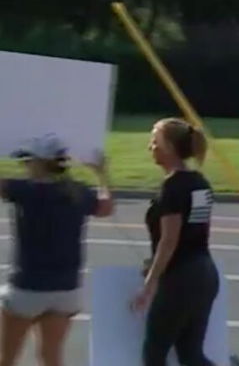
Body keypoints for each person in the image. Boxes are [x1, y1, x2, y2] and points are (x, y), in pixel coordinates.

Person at [0, 134, 113, 366]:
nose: (24, 166)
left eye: (26, 161)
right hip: (66, 288)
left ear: (38, 162)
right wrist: (102, 173)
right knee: (51, 357)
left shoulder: (24, 190)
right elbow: (106, 207)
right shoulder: (78, 192)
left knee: (6, 358)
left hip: (27, 287)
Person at [130, 118, 218, 366]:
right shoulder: (200, 183)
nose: (151, 147)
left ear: (169, 147)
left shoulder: (172, 187)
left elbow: (170, 241)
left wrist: (149, 285)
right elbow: (196, 232)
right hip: (205, 273)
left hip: (181, 277)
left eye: (154, 141)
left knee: (154, 355)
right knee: (192, 355)